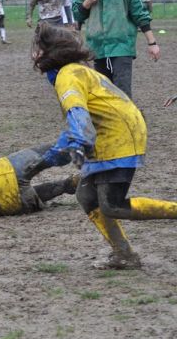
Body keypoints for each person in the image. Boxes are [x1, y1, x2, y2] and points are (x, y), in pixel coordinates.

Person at [32, 23, 177, 270]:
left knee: (112, 204)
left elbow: (78, 115)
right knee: (87, 196)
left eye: (37, 48)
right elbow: (78, 118)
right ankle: (124, 254)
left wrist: (78, 143)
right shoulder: (73, 71)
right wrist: (58, 152)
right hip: (115, 131)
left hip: (118, 135)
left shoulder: (67, 76)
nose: (34, 54)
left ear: (49, 52)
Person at [72, 0, 160, 99]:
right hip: (97, 48)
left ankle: (127, 117)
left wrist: (152, 43)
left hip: (121, 46)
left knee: (122, 93)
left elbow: (139, 13)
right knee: (104, 94)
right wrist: (85, 4)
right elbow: (77, 15)